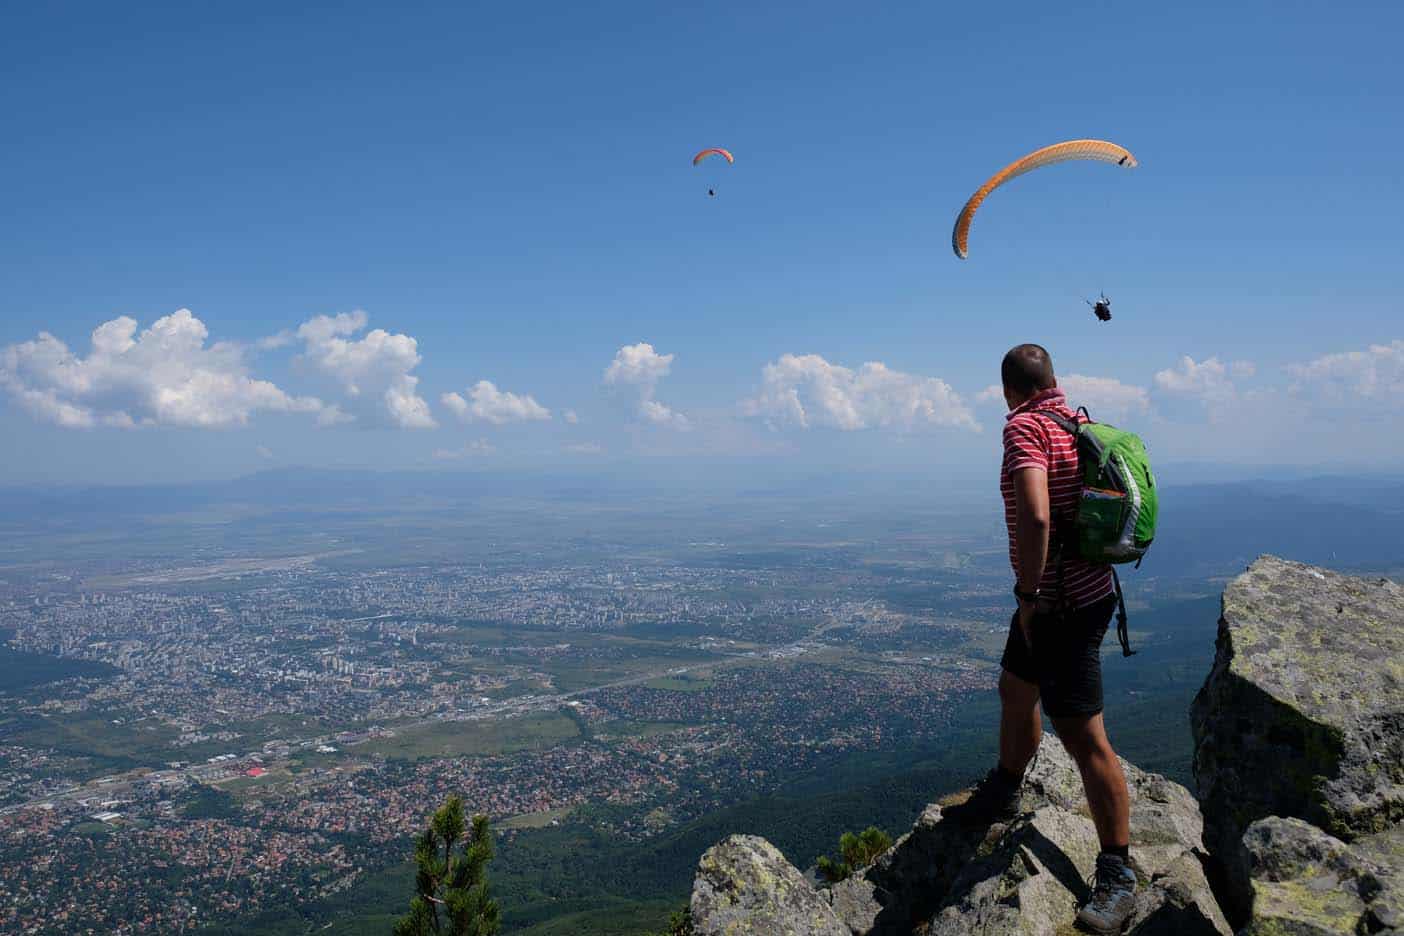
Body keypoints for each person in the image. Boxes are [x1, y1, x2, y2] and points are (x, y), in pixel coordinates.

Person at [964, 343, 1137, 934]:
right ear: (1054, 380)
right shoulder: (1079, 423)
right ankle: (1007, 788)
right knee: (1015, 688)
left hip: (1056, 602)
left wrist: (1030, 594)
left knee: (1084, 736)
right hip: (1084, 591)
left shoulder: (1026, 431)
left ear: (1009, 391)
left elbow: (1036, 515)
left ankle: (1117, 873)